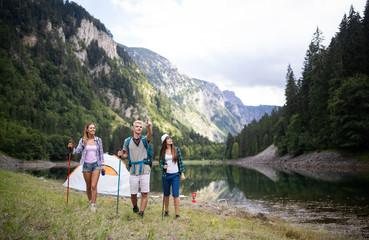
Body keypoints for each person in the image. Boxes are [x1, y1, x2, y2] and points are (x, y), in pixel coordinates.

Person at [118, 119, 152, 218]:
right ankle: (135, 206)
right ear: (133, 128)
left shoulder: (145, 139)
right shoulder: (127, 141)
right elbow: (126, 155)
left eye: (141, 127)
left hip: (145, 169)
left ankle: (141, 212)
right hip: (133, 170)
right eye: (137, 126)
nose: (139, 128)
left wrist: (149, 127)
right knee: (133, 194)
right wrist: (121, 155)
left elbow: (150, 135)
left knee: (144, 193)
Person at [68, 123, 105, 212]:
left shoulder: (98, 140)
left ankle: (93, 204)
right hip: (86, 165)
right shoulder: (83, 140)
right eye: (91, 128)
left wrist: (103, 165)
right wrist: (72, 148)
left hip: (96, 164)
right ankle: (89, 201)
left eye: (94, 128)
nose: (93, 129)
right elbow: (77, 151)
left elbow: (101, 153)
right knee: (88, 186)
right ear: (87, 130)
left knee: (93, 185)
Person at [159, 134, 186, 218]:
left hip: (175, 175)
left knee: (175, 195)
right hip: (166, 175)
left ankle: (177, 214)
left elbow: (180, 162)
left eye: (170, 138)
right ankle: (166, 211)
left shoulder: (176, 150)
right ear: (164, 141)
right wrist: (163, 167)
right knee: (166, 195)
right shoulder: (162, 151)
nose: (170, 140)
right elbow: (160, 163)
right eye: (168, 139)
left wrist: (182, 174)